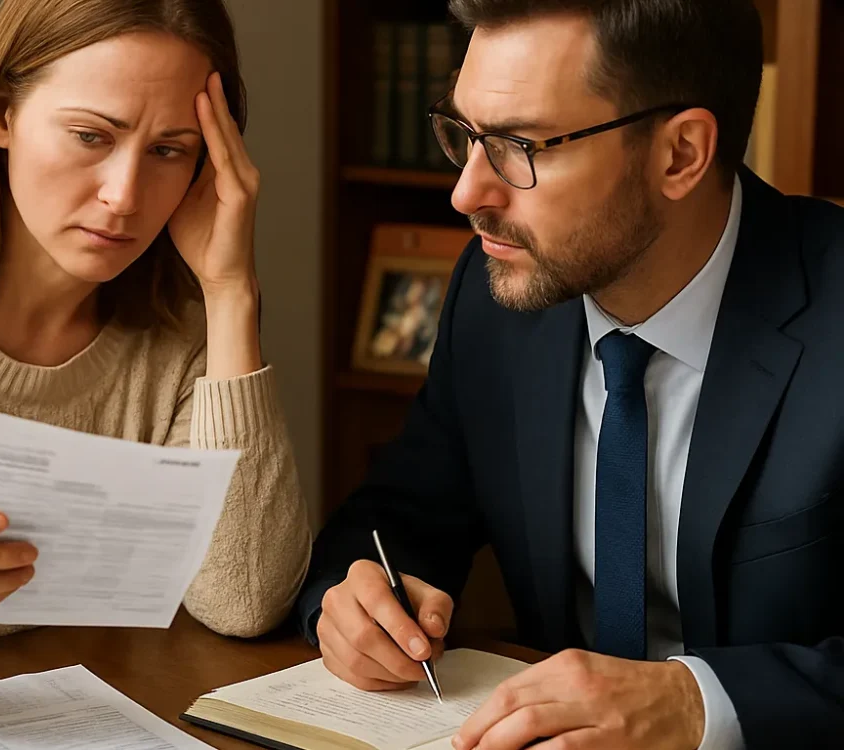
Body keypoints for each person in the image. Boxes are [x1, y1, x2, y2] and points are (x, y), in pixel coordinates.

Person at [297, 1, 844, 748]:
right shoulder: (495, 296)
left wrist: (696, 704)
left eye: (519, 146)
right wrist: (353, 600)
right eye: (465, 136)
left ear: (680, 154)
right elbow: (401, 514)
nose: (467, 194)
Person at [0, 0, 312, 683]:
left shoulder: (183, 338)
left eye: (169, 151)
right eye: (91, 136)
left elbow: (243, 600)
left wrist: (232, 292)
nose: (124, 196)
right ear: (2, 116)